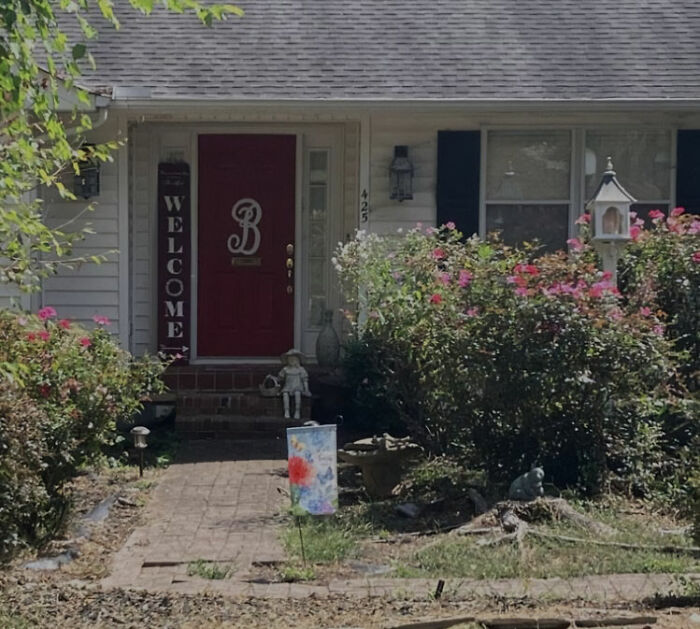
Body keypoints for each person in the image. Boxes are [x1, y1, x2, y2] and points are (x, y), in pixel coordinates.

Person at [278, 349, 311, 419]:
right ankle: (286, 411)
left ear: (298, 360)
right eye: (290, 359)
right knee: (285, 394)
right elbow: (280, 379)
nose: (292, 361)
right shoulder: (285, 369)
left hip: (297, 386)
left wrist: (306, 390)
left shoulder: (301, 369)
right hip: (288, 386)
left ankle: (297, 411)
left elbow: (305, 380)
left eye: (294, 359)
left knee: (297, 393)